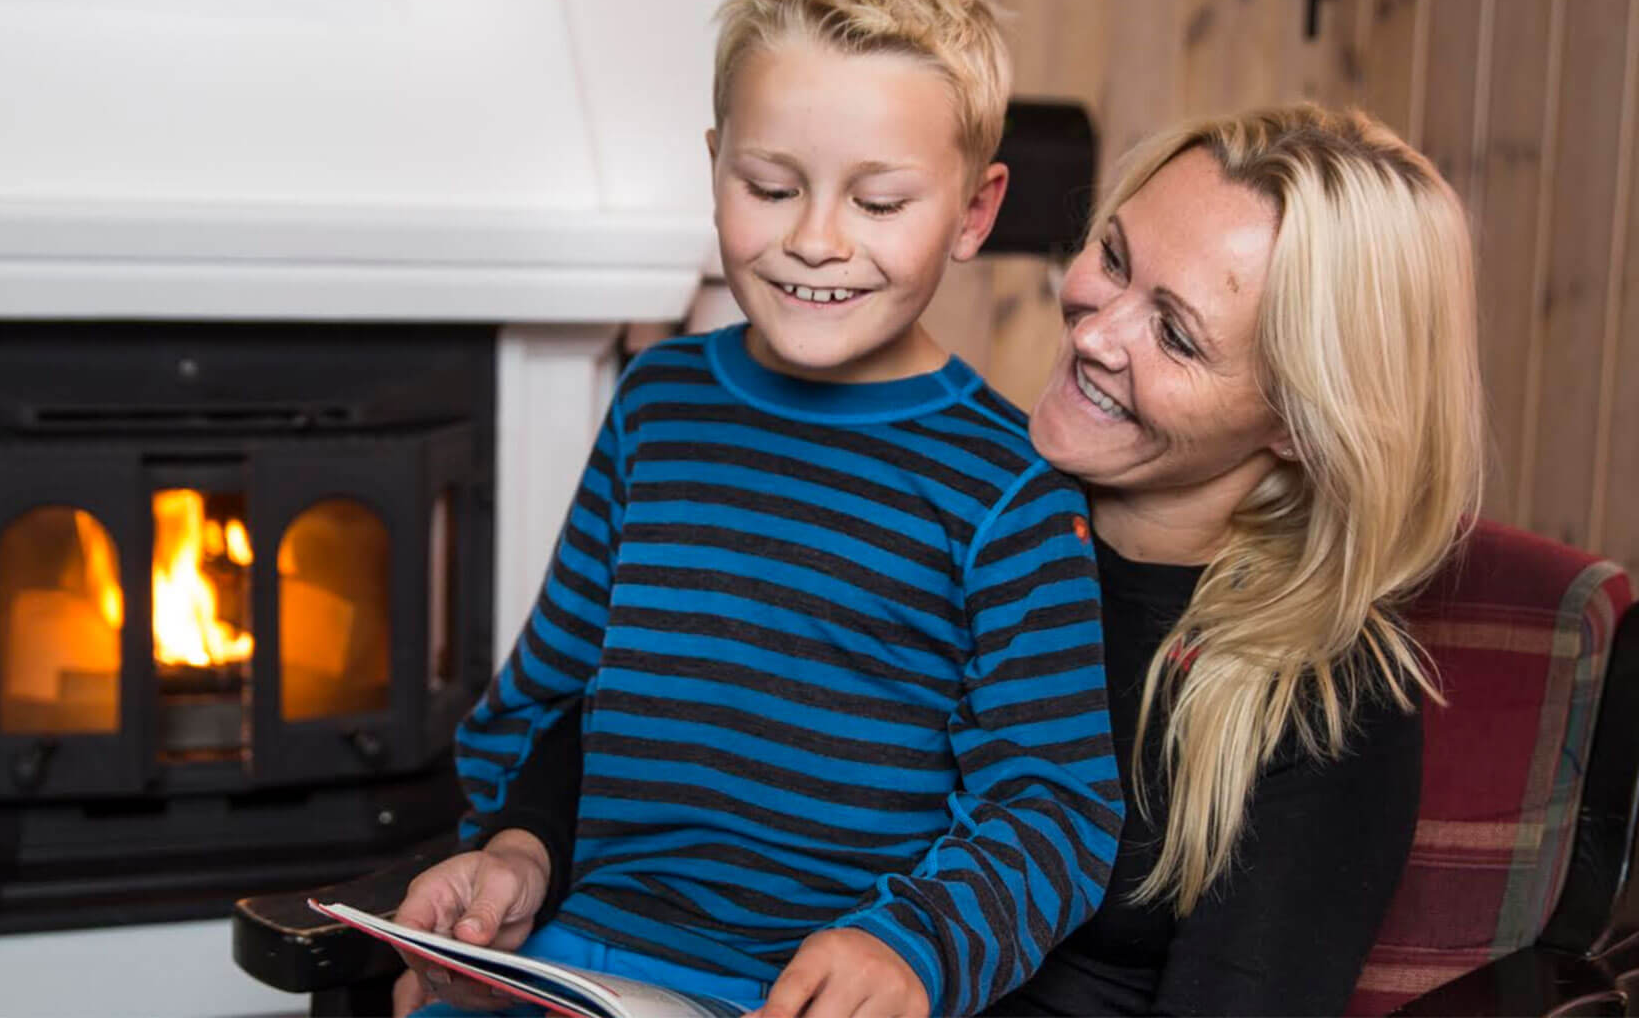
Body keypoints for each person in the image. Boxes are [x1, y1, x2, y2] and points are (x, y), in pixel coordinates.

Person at [400, 102, 1486, 1017]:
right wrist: (524, 852)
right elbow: (674, 708)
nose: (1099, 332)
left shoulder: (1325, 701)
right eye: (1112, 258)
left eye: (1179, 334)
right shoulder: (946, 505)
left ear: (1299, 422)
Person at [388, 0, 1124, 1016]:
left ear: (974, 212)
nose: (816, 241)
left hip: (819, 994)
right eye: (771, 186)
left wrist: (912, 950)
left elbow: (1051, 807)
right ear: (715, 165)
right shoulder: (657, 404)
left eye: (879, 204)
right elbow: (560, 693)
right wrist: (516, 858)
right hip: (583, 955)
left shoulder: (1009, 487)